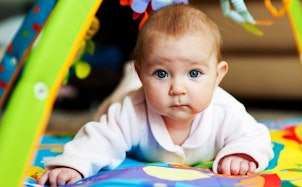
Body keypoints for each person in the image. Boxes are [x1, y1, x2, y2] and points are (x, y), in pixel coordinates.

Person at [38, 4, 274, 186]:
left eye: (194, 73)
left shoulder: (225, 110)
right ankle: (130, 75)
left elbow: (256, 137)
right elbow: (99, 139)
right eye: (161, 73)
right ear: (143, 75)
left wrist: (242, 153)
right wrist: (73, 166)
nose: (178, 88)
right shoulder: (130, 110)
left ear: (218, 75)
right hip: (125, 96)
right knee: (108, 111)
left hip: (143, 85)